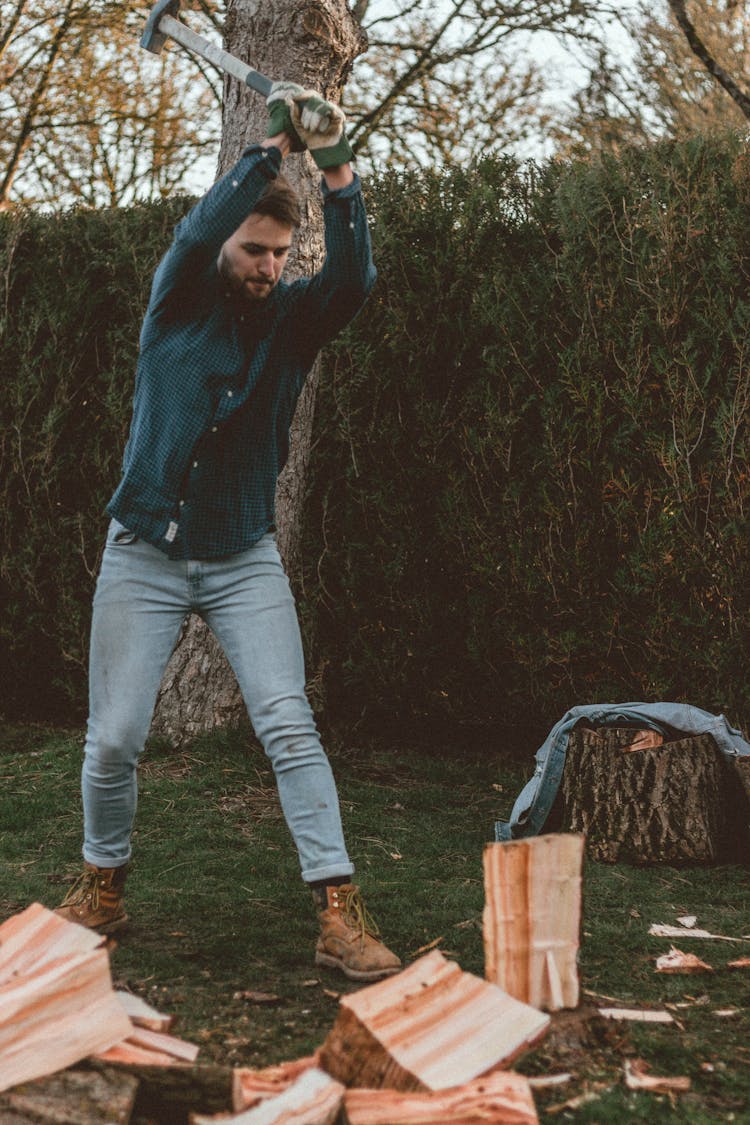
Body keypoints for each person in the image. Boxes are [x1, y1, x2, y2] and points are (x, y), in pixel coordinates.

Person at [56, 83, 401, 983]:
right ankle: (102, 886)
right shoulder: (175, 299)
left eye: (281, 253)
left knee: (289, 723)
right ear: (226, 248)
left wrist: (336, 166)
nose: (268, 266)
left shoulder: (293, 322)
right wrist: (270, 146)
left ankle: (337, 910)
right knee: (115, 736)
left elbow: (356, 276)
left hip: (244, 556)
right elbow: (196, 228)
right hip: (145, 553)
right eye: (255, 249)